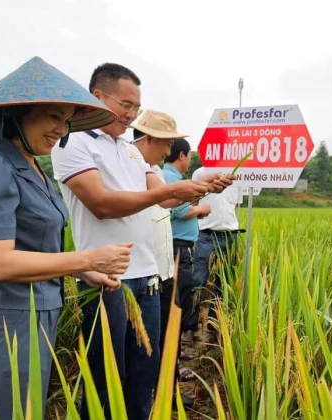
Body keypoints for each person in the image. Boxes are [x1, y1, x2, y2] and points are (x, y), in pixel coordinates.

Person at [0, 56, 132, 420]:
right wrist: (88, 259)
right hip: (1, 330)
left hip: (38, 321)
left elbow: (35, 251)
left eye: (66, 121)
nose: (62, 129)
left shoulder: (35, 169)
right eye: (53, 116)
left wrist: (83, 273)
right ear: (16, 114)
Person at [50, 63, 232, 420]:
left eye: (136, 108)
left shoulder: (131, 151)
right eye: (126, 105)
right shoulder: (72, 143)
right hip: (106, 280)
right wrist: (175, 190)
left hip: (147, 279)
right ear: (97, 97)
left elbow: (163, 198)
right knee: (105, 380)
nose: (131, 114)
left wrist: (200, 187)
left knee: (142, 377)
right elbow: (101, 204)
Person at [131, 110, 198, 408]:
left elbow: (169, 200)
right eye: (166, 144)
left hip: (161, 271)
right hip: (140, 274)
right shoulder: (128, 167)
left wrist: (201, 187)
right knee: (144, 348)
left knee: (163, 339)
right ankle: (149, 401)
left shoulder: (154, 172)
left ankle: (165, 397)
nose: (170, 151)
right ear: (149, 138)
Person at [163, 140, 211, 346]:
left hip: (177, 247)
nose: (190, 160)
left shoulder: (168, 176)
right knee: (177, 298)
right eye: (190, 155)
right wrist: (202, 210)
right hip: (177, 248)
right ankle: (174, 354)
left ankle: (175, 353)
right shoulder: (171, 179)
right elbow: (181, 212)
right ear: (181, 155)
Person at [192, 166, 243, 340]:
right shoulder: (201, 172)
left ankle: (213, 325)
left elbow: (234, 205)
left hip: (230, 235)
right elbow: (194, 202)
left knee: (224, 282)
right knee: (198, 279)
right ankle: (190, 325)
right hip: (206, 234)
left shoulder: (237, 174)